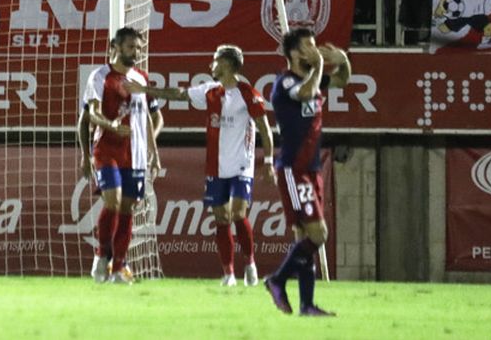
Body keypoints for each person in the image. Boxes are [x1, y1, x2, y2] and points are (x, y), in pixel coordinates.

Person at [144, 44, 275, 286]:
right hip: (216, 167)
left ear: (226, 64)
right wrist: (146, 90)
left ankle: (250, 264)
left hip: (241, 165)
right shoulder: (210, 91)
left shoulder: (248, 93)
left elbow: (265, 130)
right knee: (221, 218)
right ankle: (228, 274)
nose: (210, 64)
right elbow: (179, 94)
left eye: (214, 60)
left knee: (238, 214)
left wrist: (268, 162)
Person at [265, 28, 350, 317]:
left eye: (316, 46)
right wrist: (321, 64)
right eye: (308, 46)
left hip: (312, 169)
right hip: (294, 169)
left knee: (303, 238)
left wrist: (343, 60)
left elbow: (342, 80)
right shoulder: (285, 82)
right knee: (318, 234)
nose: (315, 51)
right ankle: (277, 280)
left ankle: (307, 305)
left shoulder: (314, 76)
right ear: (293, 53)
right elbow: (306, 93)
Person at [78, 27, 154, 284]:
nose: (136, 52)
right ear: (116, 47)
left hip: (135, 154)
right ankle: (101, 257)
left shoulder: (141, 78)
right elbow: (91, 114)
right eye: (131, 47)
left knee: (127, 207)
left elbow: (148, 117)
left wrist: (154, 151)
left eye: (139, 48)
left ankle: (119, 267)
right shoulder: (100, 76)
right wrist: (110, 126)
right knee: (113, 200)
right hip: (107, 149)